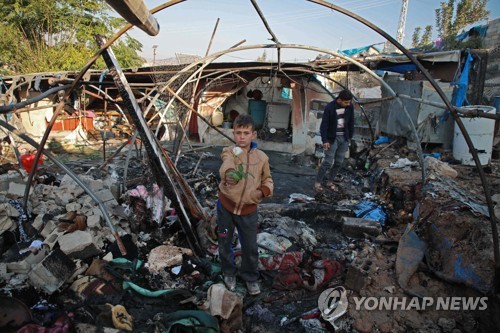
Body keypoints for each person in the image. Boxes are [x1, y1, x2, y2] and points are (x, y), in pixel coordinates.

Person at [217, 114, 274, 295]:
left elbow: (268, 179)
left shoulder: (262, 158)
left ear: (253, 135)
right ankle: (228, 273)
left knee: (250, 246)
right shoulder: (230, 151)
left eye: (246, 133)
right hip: (226, 207)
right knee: (224, 242)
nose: (242, 137)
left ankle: (250, 277)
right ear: (234, 134)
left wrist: (262, 192)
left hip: (249, 210)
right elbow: (226, 164)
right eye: (238, 132)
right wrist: (230, 174)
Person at [314, 89, 354, 192]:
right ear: (340, 100)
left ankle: (330, 182)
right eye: (346, 102)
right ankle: (318, 182)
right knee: (328, 161)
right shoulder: (330, 107)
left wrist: (349, 137)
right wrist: (325, 140)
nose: (348, 104)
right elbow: (324, 125)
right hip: (332, 138)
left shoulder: (350, 107)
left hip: (344, 138)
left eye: (349, 102)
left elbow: (351, 122)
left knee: (339, 162)